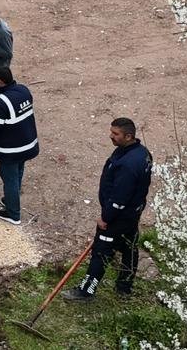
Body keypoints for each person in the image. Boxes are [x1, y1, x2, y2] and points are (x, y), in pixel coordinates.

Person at [64, 117, 153, 301]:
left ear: (129, 136)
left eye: (115, 134)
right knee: (130, 249)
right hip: (132, 215)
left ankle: (86, 291)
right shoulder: (141, 153)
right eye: (111, 131)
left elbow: (120, 197)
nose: (110, 136)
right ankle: (124, 288)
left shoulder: (129, 165)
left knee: (101, 252)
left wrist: (106, 218)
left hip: (117, 217)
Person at [0, 66, 38, 225]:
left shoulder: (2, 102)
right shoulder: (23, 90)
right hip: (27, 144)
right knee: (18, 173)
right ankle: (10, 199)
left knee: (9, 179)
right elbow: (9, 100)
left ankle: (13, 214)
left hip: (11, 149)